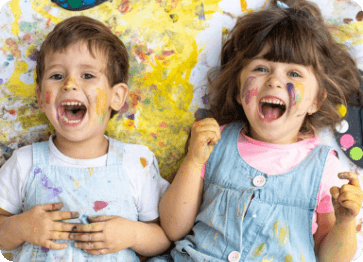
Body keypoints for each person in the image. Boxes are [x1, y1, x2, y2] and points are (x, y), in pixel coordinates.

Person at [154, 0, 363, 261]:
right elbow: (173, 228)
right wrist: (193, 160)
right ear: (240, 92)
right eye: (261, 69)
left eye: (295, 74)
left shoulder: (323, 168)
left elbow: (331, 258)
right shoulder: (213, 142)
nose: (275, 80)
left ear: (315, 101)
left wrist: (344, 223)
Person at [0, 15, 170, 261]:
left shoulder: (137, 162)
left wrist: (133, 234)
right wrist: (21, 227)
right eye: (57, 76)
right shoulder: (25, 162)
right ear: (40, 97)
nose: (69, 84)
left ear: (117, 96)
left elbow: (164, 238)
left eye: (88, 76)